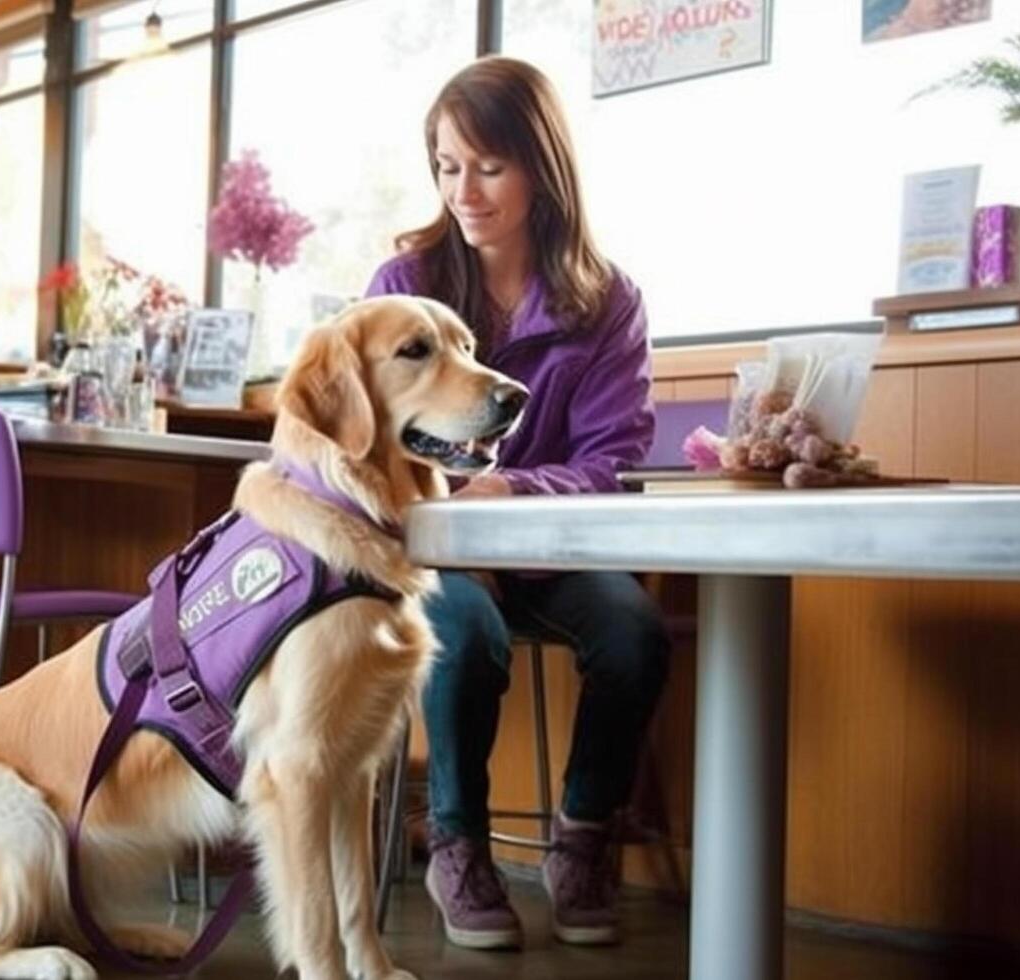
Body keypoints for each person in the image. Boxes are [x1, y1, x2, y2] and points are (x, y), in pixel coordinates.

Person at [365, 55, 669, 951]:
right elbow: (374, 439)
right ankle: (456, 845)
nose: (465, 191)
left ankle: (582, 839)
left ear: (542, 165)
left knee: (635, 636)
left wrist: (512, 486)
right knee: (465, 635)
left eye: (489, 167)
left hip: (552, 546)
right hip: (433, 550)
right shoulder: (404, 285)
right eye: (447, 166)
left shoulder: (610, 302)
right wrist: (461, 507)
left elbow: (611, 458)